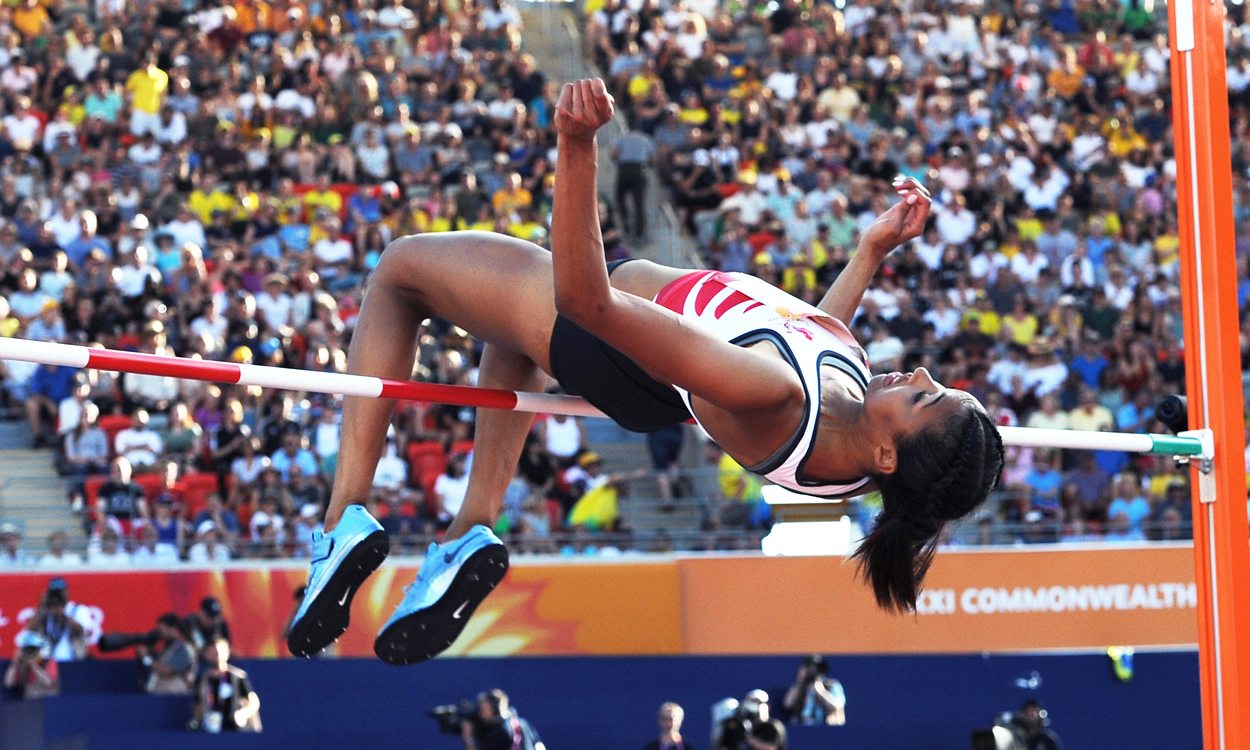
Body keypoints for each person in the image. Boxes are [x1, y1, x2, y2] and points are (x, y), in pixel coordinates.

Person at [287, 79, 1004, 666]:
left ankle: (343, 520)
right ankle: (469, 531)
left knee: (400, 271)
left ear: (889, 451)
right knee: (509, 337)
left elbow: (587, 300)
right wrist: (870, 253)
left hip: (612, 336)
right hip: (648, 371)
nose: (913, 372)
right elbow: (815, 341)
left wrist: (577, 148)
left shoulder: (772, 395)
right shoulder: (849, 441)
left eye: (921, 397)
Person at [190, 638, 262, 733]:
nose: (215, 656)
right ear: (206, 655)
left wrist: (242, 714)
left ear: (226, 653)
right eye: (211, 653)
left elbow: (252, 702)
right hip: (212, 727)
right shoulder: (202, 680)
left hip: (235, 727)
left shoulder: (237, 677)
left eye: (218, 652)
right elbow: (198, 704)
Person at [460, 689, 544, 750]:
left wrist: (468, 739)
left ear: (495, 709)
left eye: (483, 709)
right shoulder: (522, 723)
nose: (480, 713)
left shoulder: (496, 732)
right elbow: (539, 745)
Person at [781, 654, 846, 726]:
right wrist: (800, 683)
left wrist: (821, 692)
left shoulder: (831, 685)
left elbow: (838, 706)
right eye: (810, 668)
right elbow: (787, 704)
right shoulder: (800, 686)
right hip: (801, 726)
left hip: (825, 726)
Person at [3, 630, 59, 699]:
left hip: (47, 700)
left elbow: (48, 683)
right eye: (28, 650)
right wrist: (15, 663)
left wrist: (33, 665)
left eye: (33, 650)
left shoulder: (48, 661)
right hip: (29, 702)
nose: (31, 653)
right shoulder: (21, 663)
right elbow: (8, 683)